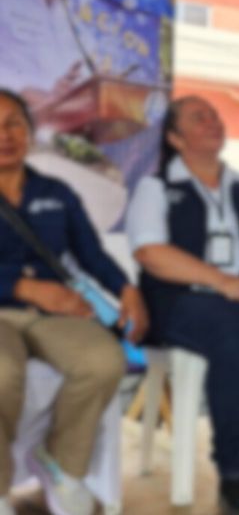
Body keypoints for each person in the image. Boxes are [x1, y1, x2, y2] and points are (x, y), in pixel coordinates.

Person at [0, 89, 147, 515]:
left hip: (54, 313)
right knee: (3, 373)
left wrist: (126, 289)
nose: (5, 134)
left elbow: (90, 253)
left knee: (103, 361)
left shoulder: (55, 191)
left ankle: (63, 463)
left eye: (13, 123)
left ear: (29, 132)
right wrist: (23, 287)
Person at [126, 96, 239, 513]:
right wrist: (220, 281)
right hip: (178, 301)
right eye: (199, 118)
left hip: (238, 296)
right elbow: (151, 252)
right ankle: (232, 469)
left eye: (213, 115)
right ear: (176, 138)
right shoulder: (157, 188)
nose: (213, 121)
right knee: (232, 328)